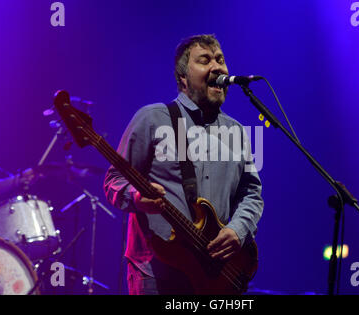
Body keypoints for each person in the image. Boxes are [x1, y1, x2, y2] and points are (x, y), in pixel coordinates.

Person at [103, 34, 264, 295]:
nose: (217, 67)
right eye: (205, 60)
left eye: (220, 60)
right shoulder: (152, 118)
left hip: (214, 274)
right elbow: (114, 181)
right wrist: (136, 197)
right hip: (156, 272)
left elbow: (252, 194)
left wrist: (238, 230)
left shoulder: (238, 132)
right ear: (183, 79)